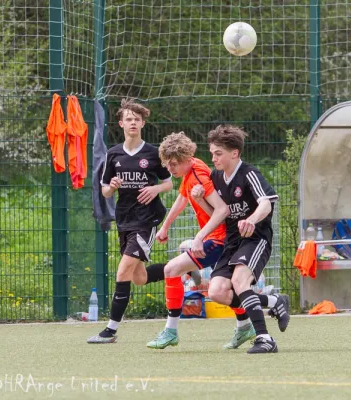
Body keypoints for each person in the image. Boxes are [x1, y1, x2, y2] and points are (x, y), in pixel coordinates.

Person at [146, 132, 256, 350]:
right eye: (168, 165)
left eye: (174, 164)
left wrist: (199, 238)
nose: (170, 170)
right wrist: (166, 225)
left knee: (171, 270)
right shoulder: (191, 167)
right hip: (217, 238)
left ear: (187, 159)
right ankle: (245, 325)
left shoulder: (198, 176)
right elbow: (183, 197)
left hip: (218, 239)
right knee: (220, 290)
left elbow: (222, 210)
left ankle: (170, 331)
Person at [87, 98, 173, 344]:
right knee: (140, 278)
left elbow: (168, 182)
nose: (132, 122)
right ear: (121, 123)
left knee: (123, 270)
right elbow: (104, 190)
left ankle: (110, 330)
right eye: (128, 119)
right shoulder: (113, 154)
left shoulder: (153, 153)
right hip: (124, 219)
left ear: (142, 123)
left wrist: (155, 189)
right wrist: (112, 186)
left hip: (147, 219)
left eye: (137, 119)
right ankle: (182, 269)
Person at [199, 125, 290, 354]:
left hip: (255, 238)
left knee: (241, 281)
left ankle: (265, 339)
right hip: (233, 242)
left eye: (218, 153)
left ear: (234, 153)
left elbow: (266, 203)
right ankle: (273, 302)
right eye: (211, 153)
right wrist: (200, 200)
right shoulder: (216, 178)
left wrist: (251, 219)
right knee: (217, 292)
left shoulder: (249, 173)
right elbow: (219, 215)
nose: (213, 158)